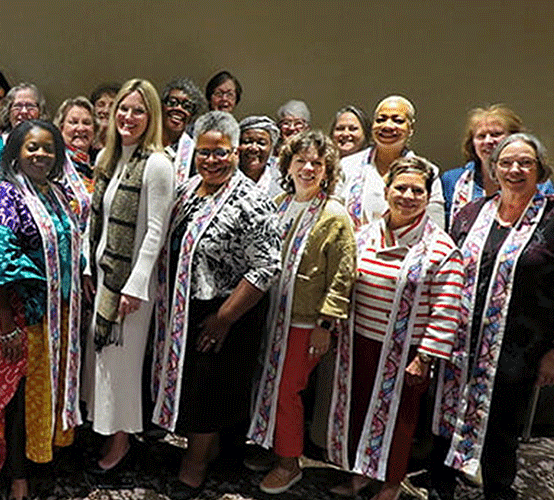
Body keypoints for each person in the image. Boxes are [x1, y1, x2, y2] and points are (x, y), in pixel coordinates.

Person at [151, 111, 281, 499]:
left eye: (220, 152)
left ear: (236, 152)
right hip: (185, 308)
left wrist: (224, 318)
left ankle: (195, 465)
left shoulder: (251, 200)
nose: (211, 160)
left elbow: (267, 266)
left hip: (225, 312)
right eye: (204, 152)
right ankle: (205, 451)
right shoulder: (189, 189)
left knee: (206, 392)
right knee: (192, 387)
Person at [435, 133, 554, 500]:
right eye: (506, 163)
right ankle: (441, 490)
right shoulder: (471, 214)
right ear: (493, 169)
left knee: (501, 433)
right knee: (445, 425)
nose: (515, 170)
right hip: (459, 347)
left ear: (541, 170)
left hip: (518, 350)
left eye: (525, 162)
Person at [327, 156, 464, 500]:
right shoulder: (365, 235)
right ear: (386, 190)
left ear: (428, 197)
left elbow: (447, 309)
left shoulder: (441, 249)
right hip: (360, 342)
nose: (407, 196)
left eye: (417, 191)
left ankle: (390, 484)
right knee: (359, 410)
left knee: (400, 420)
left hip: (408, 352)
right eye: (400, 188)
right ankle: (360, 475)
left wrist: (425, 357)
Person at [0, 120, 83, 500]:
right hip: (20, 317)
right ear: (15, 152)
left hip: (56, 317)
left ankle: (39, 463)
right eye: (32, 147)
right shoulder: (6, 196)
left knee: (44, 393)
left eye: (49, 148)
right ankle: (17, 476)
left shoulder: (57, 193)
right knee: (15, 398)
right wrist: (8, 325)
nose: (41, 154)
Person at [246, 130, 355, 494]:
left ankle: (289, 463)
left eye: (317, 163)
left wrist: (325, 324)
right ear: (288, 166)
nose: (308, 168)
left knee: (287, 391)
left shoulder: (334, 215)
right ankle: (271, 444)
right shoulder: (279, 203)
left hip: (304, 321)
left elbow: (343, 275)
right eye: (301, 161)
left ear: (327, 170)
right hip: (270, 314)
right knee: (266, 382)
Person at [83, 78, 174, 475]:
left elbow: (155, 232)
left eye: (139, 111)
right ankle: (107, 431)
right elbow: (98, 222)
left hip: (132, 288)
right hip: (107, 280)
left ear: (151, 117)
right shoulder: (111, 157)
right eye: (124, 108)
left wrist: (135, 286)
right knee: (104, 362)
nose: (129, 117)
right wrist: (90, 267)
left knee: (121, 368)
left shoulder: (157, 164)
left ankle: (121, 443)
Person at [337, 95, 446, 230]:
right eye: (380, 120)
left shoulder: (427, 172)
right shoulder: (347, 166)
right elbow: (333, 217)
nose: (387, 126)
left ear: (410, 128)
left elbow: (435, 225)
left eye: (398, 120)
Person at [439, 105, 554, 228]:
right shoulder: (452, 180)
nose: (488, 141)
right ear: (472, 143)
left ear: (514, 138)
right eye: (481, 136)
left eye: (496, 134)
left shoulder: (538, 182)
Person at [0, 82, 47, 196]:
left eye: (30, 106)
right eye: (17, 106)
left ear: (40, 112)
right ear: (8, 112)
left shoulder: (49, 145)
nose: (23, 111)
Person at [53, 96, 96, 225]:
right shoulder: (53, 165)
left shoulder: (100, 167)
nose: (81, 128)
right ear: (61, 128)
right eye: (73, 122)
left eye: (87, 123)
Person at [161, 78, 207, 185]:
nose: (179, 108)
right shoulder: (145, 139)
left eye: (187, 106)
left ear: (192, 117)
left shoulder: (195, 153)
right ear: (162, 107)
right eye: (172, 102)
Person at [237, 115, 284, 198]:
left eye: (261, 143)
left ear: (271, 148)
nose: (254, 148)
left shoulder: (282, 180)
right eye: (247, 142)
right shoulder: (223, 177)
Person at [89, 83, 120, 153]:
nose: (106, 111)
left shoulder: (124, 144)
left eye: (112, 106)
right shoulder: (85, 142)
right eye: (101, 105)